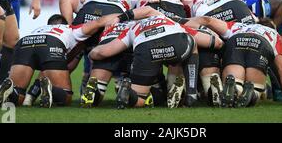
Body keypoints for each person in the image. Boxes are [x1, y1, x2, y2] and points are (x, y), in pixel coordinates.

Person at [89, 10, 223, 109]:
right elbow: (215, 43)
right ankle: (191, 94)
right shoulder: (166, 19)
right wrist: (218, 44)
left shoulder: (132, 28)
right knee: (192, 43)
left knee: (140, 100)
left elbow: (103, 52)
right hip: (175, 43)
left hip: (147, 50)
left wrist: (91, 54)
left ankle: (127, 92)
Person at [0, 13, 119, 108]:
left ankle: (9, 91)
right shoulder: (70, 29)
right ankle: (51, 89)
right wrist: (125, 14)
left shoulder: (40, 28)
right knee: (66, 96)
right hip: (51, 42)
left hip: (24, 42)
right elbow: (99, 22)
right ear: (65, 24)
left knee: (18, 96)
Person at [186, 16, 282, 107]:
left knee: (235, 82)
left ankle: (233, 88)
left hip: (237, 40)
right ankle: (251, 93)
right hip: (260, 45)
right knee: (256, 89)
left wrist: (180, 22)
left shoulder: (239, 26)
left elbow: (208, 20)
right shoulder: (275, 35)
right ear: (272, 28)